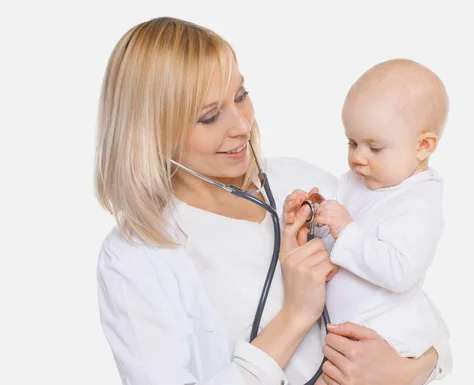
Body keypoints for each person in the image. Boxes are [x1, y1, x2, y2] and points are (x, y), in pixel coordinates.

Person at [94, 16, 451, 385]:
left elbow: (407, 299)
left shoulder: (298, 182)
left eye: (240, 96)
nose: (241, 125)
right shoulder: (135, 257)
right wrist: (295, 316)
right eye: (210, 116)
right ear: (151, 131)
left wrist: (408, 370)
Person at [284, 59, 449, 379]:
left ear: (423, 146)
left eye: (374, 147)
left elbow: (401, 272)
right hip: (338, 335)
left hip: (387, 335)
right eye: (352, 143)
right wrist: (311, 214)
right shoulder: (358, 180)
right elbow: (335, 240)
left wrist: (345, 230)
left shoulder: (418, 203)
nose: (358, 157)